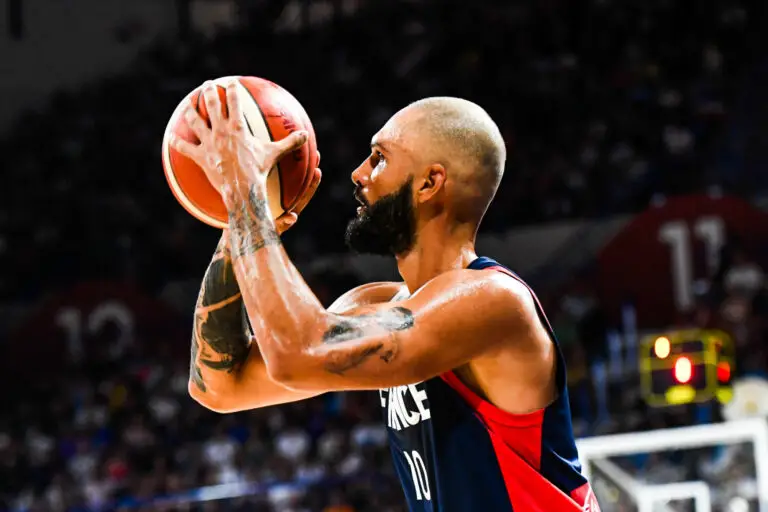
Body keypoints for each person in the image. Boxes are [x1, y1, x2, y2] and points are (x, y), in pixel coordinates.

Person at [171, 80, 599, 511]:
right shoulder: (375, 303)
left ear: (430, 182)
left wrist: (246, 195)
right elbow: (220, 387)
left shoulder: (494, 301)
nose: (358, 173)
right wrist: (241, 221)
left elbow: (298, 352)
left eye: (379, 158)